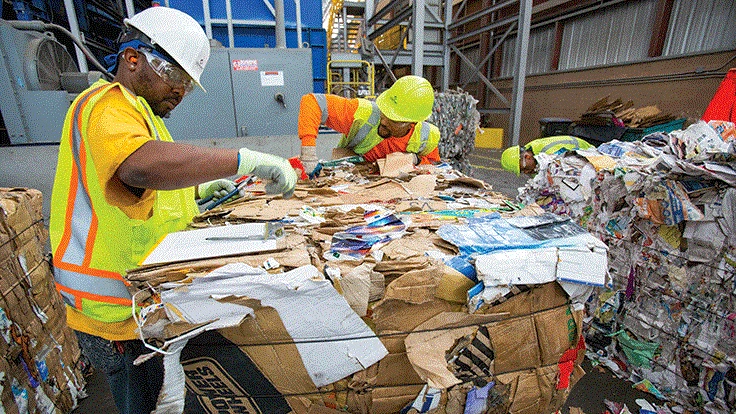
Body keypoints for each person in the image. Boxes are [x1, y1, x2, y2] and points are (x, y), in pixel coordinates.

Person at [48, 7, 296, 414]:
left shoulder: (145, 118)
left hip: (141, 302)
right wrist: (242, 160)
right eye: (174, 76)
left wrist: (200, 188)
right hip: (116, 313)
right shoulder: (106, 105)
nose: (181, 91)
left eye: (188, 83)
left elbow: (148, 193)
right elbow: (139, 166)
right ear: (132, 59)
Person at [298, 75, 441, 174]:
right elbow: (312, 102)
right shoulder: (362, 114)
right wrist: (308, 155)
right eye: (385, 112)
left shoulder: (427, 137)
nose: (384, 121)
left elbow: (434, 168)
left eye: (394, 120)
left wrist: (416, 160)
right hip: (351, 183)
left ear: (412, 123)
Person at [500, 135, 594, 175]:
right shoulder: (533, 151)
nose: (526, 172)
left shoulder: (549, 154)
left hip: (589, 157)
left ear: (527, 157)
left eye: (524, 169)